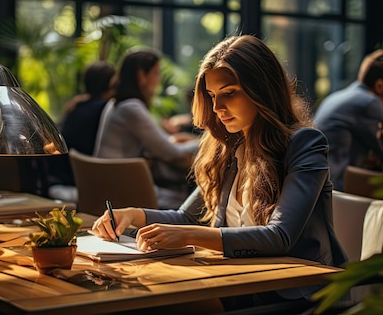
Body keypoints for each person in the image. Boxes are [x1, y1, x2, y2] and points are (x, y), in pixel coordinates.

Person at [92, 35, 347, 312]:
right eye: (212, 96)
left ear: (261, 89)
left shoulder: (305, 144)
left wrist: (188, 235)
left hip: (294, 295)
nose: (217, 108)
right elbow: (188, 217)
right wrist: (133, 215)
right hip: (239, 283)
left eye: (229, 92)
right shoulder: (230, 146)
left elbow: (280, 236)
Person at [97, 48, 200, 209]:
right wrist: (207, 141)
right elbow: (172, 152)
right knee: (197, 206)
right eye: (156, 73)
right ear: (141, 75)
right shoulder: (131, 108)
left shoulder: (116, 104)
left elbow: (164, 145)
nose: (159, 79)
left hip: (110, 187)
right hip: (124, 193)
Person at [313, 49, 383, 190]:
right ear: (380, 86)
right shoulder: (369, 102)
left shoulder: (338, 97)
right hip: (339, 191)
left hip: (321, 186)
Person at [45, 60, 118, 202]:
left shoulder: (76, 106)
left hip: (62, 174)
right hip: (80, 178)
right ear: (111, 84)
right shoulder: (106, 109)